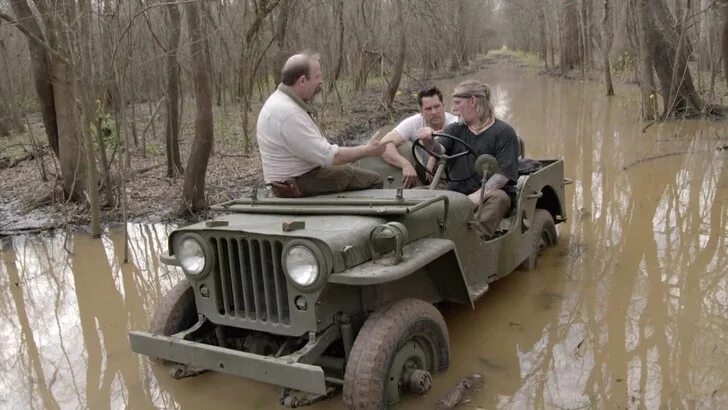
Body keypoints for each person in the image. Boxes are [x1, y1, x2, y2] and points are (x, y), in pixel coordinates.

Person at [256, 51, 386, 197]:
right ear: (303, 80)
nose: (320, 81)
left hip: (291, 177)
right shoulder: (288, 113)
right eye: (317, 76)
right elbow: (330, 157)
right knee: (373, 180)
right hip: (297, 182)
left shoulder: (279, 100)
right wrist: (367, 150)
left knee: (347, 168)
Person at [417, 79, 519, 240]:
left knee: (500, 199)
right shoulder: (455, 129)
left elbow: (502, 175)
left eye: (457, 102)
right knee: (415, 197)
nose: (453, 109)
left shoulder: (504, 132)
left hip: (488, 196)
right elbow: (440, 150)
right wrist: (428, 140)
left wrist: (475, 198)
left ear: (472, 101)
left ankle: (473, 243)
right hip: (455, 190)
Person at [380, 87, 458, 188]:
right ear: (420, 111)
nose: (434, 112)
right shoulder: (413, 123)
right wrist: (405, 165)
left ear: (444, 106)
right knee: (403, 147)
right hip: (426, 177)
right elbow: (384, 145)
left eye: (437, 106)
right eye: (428, 109)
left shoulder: (456, 123)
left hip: (454, 178)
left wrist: (432, 158)